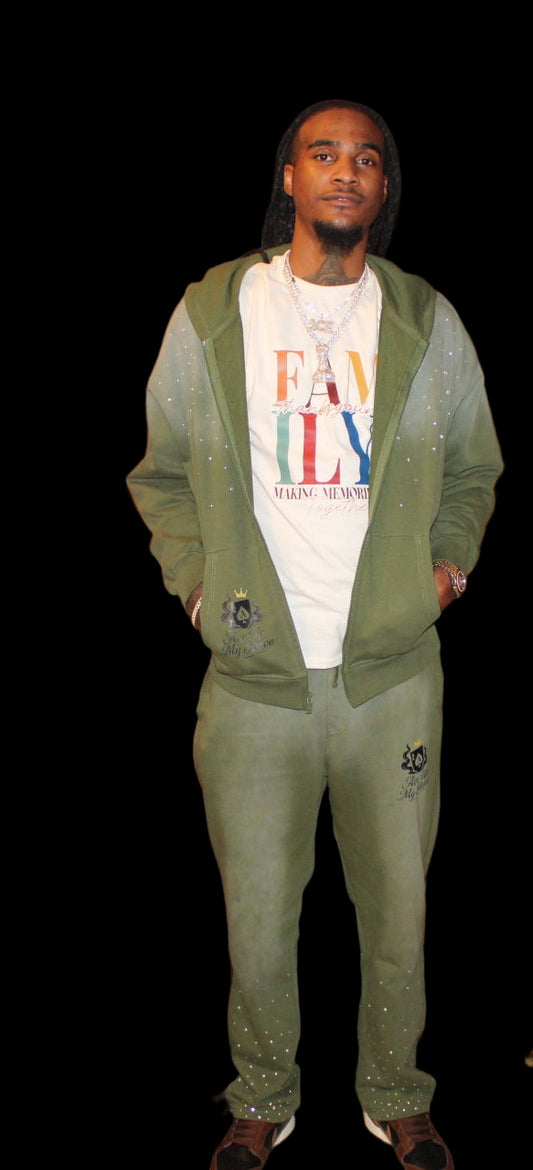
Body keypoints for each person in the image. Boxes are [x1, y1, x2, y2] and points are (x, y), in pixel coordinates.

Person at [127, 99, 503, 1169]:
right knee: (256, 917)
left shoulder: (424, 319)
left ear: (383, 189)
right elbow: (161, 471)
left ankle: (394, 1092)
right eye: (323, 153)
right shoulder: (214, 311)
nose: (345, 171)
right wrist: (198, 593)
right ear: (287, 178)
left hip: (391, 678)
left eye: (366, 159)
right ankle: (261, 1094)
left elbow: (472, 465)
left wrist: (444, 573)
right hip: (255, 681)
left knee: (396, 910)